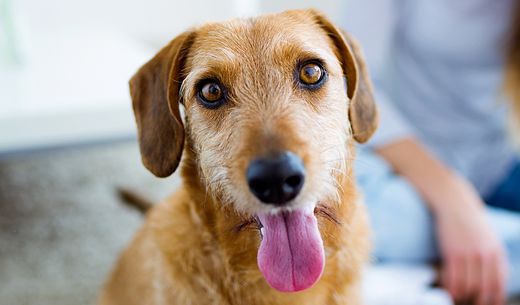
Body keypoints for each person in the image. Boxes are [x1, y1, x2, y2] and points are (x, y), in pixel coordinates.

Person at [340, 1, 520, 304]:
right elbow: (352, 81)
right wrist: (453, 198)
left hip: (496, 166)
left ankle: (438, 268)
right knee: (338, 210)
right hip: (404, 167)